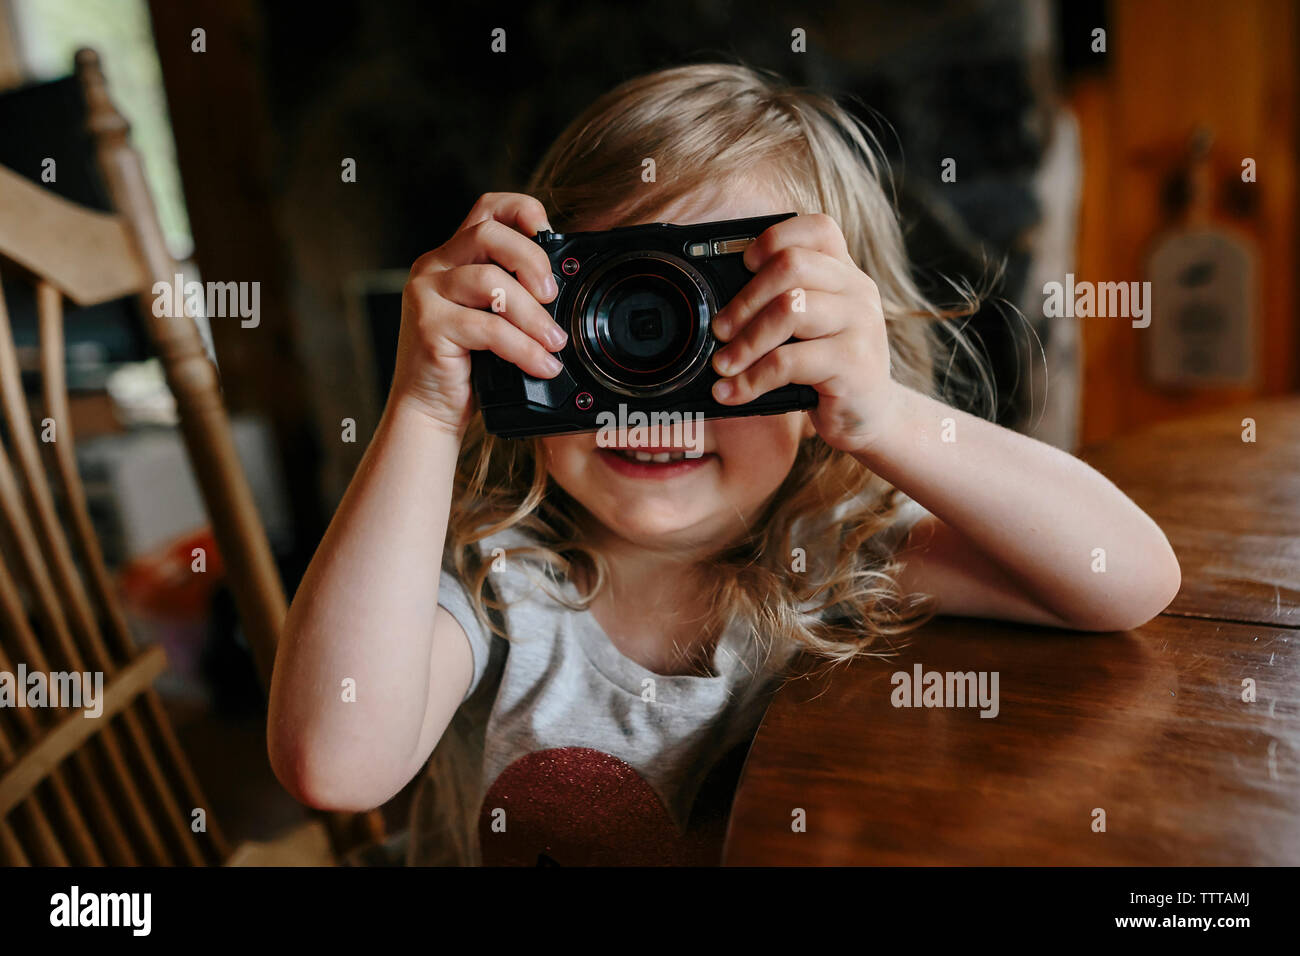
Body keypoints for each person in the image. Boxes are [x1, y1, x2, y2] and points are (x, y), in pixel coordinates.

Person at [268, 63, 1180, 866]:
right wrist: (425, 407)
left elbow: (1128, 578)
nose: (656, 396)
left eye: (723, 315)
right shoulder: (498, 576)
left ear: (825, 343)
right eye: (625, 317)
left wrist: (885, 413)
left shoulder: (839, 556)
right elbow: (336, 764)